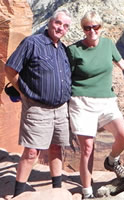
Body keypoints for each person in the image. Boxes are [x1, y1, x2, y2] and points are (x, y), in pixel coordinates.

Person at [66, 10, 124, 199]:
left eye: (95, 27)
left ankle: (112, 161)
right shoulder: (73, 50)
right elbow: (65, 78)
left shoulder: (108, 45)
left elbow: (123, 64)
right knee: (88, 148)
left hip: (107, 101)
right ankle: (87, 192)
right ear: (83, 29)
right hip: (81, 102)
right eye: (87, 28)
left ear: (100, 28)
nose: (92, 31)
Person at [4, 8, 72, 197]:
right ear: (50, 22)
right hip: (37, 107)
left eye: (65, 26)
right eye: (58, 23)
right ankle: (19, 193)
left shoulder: (63, 49)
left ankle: (57, 190)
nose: (60, 28)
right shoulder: (32, 43)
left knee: (57, 148)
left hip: (60, 109)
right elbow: (10, 68)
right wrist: (23, 92)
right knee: (32, 151)